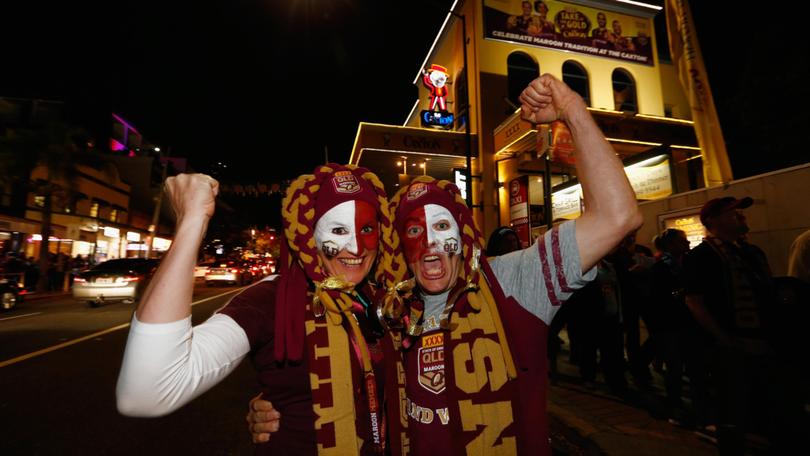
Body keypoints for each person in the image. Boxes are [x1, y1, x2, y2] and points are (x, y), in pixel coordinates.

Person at [248, 74, 642, 454]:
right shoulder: (388, 310)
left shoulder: (514, 281)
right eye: (415, 232)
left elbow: (617, 216)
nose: (431, 244)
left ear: (464, 236)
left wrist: (572, 110)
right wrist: (277, 405)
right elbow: (355, 384)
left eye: (441, 225)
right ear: (400, 248)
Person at [116, 164, 400, 455]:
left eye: (367, 229)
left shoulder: (384, 299)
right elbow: (145, 393)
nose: (355, 247)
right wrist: (192, 222)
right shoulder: (273, 298)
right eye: (338, 230)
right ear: (308, 235)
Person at [683, 196, 798, 455]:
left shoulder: (752, 253)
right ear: (712, 221)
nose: (741, 217)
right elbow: (694, 301)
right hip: (730, 346)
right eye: (732, 213)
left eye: (740, 213)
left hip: (762, 341)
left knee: (764, 402)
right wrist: (723, 338)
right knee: (737, 406)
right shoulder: (701, 256)